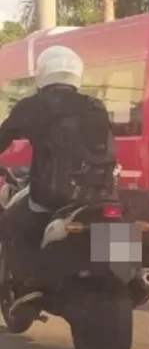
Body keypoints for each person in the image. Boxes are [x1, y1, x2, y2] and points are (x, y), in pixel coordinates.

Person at [0, 44, 117, 284]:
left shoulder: (33, 105)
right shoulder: (96, 106)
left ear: (42, 73)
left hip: (53, 195)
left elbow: (4, 137)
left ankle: (28, 282)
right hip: (101, 194)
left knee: (12, 222)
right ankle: (128, 277)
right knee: (119, 232)